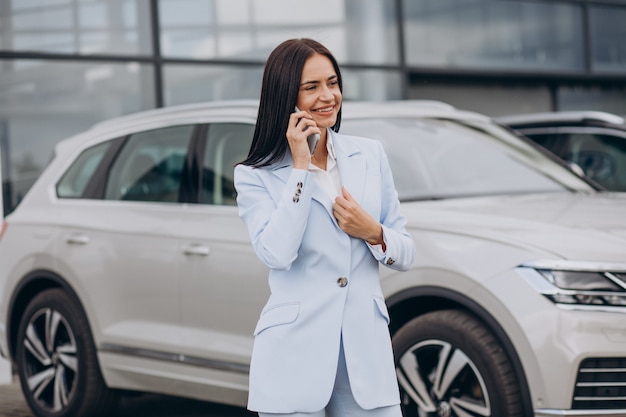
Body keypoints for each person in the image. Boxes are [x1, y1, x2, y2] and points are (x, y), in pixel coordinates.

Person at [234, 38, 416, 417]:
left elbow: (406, 252)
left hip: (366, 359)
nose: (328, 96)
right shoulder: (255, 176)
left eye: (333, 83)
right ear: (286, 97)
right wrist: (300, 169)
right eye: (311, 87)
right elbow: (277, 253)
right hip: (293, 359)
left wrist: (373, 232)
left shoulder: (369, 154)